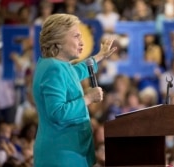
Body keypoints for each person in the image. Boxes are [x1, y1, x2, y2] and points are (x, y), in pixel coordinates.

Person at [32, 14, 116, 167]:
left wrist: (98, 57)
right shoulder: (53, 68)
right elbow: (57, 112)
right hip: (61, 156)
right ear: (58, 41)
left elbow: (75, 72)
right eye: (76, 36)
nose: (82, 42)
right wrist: (88, 98)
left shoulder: (58, 65)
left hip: (71, 152)